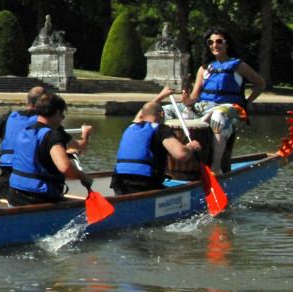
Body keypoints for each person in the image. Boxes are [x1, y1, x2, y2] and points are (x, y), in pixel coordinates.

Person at [181, 28, 265, 173]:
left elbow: (260, 83)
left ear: (227, 44)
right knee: (166, 110)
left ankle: (215, 167)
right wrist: (187, 100)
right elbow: (194, 98)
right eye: (211, 42)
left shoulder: (239, 65)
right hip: (205, 106)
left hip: (230, 109)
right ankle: (177, 165)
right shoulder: (204, 69)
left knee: (218, 116)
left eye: (219, 41)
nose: (215, 45)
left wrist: (247, 102)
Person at [6, 93, 96, 206]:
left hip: (14, 195)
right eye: (62, 116)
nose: (61, 119)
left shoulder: (25, 131)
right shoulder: (52, 135)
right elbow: (65, 167)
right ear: (57, 113)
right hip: (38, 198)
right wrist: (82, 177)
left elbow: (37, 156)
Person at [111, 88, 202, 195]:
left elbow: (144, 111)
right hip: (144, 183)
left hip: (119, 182)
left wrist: (161, 96)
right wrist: (191, 147)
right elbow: (181, 154)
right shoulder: (161, 129)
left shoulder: (131, 127)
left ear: (142, 116)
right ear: (162, 114)